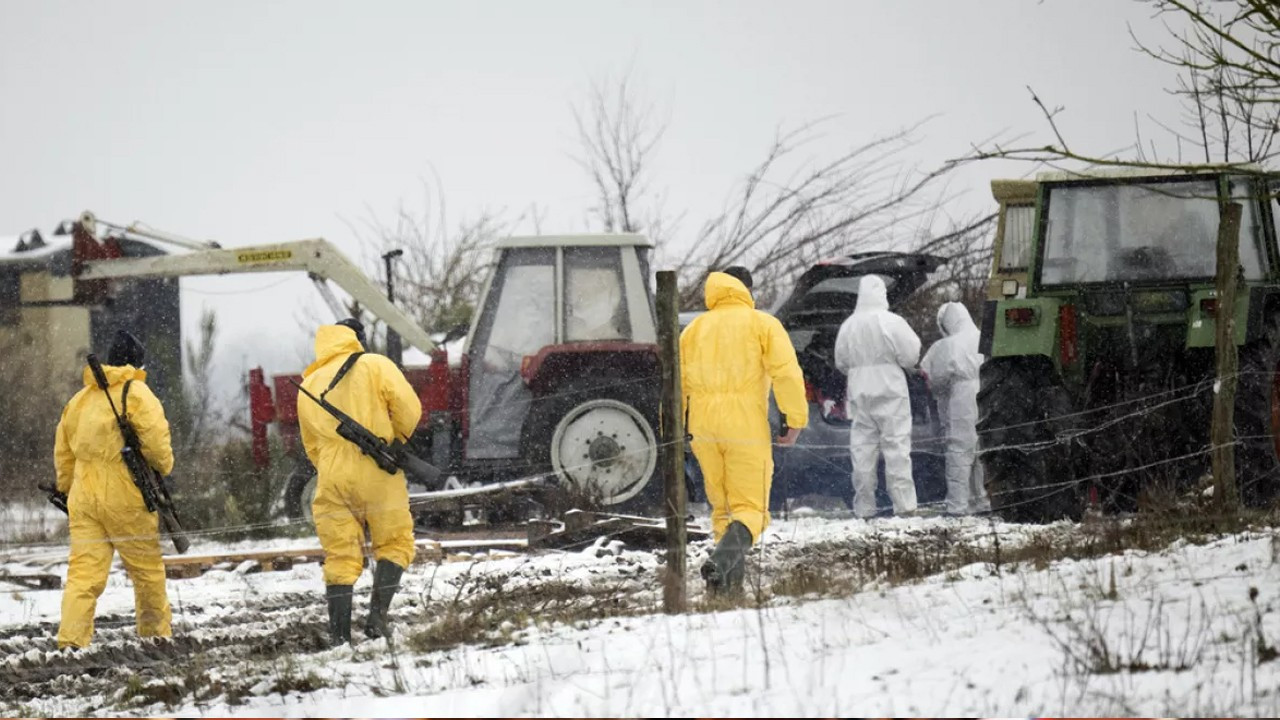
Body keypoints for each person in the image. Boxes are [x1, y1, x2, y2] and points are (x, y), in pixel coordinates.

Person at [680, 267, 808, 596]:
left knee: (722, 509)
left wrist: (676, 427)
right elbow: (786, 373)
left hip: (702, 426)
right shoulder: (762, 324)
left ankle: (726, 592)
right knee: (752, 510)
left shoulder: (693, 330)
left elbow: (676, 385)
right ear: (746, 290)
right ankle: (720, 562)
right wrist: (794, 419)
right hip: (744, 423)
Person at [297, 318, 422, 645]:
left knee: (340, 555)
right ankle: (377, 620)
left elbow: (310, 444)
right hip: (377, 469)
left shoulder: (308, 383)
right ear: (357, 339)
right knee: (394, 542)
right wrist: (396, 440)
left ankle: (339, 637)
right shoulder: (374, 364)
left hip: (331, 478)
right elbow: (409, 409)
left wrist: (332, 466)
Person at [55, 330, 175, 649]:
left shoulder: (78, 400)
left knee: (83, 575)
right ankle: (155, 638)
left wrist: (67, 490)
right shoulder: (137, 393)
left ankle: (71, 641)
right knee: (146, 571)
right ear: (136, 362)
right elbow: (158, 448)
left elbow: (63, 454)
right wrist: (164, 468)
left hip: (83, 497)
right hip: (126, 494)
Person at [834, 275, 922, 519]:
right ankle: (904, 508)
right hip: (890, 390)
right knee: (897, 448)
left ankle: (864, 508)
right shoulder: (892, 321)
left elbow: (841, 362)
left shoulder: (848, 325)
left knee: (862, 452)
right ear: (882, 293)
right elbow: (911, 355)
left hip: (859, 391)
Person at [920, 302, 990, 516]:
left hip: (962, 396)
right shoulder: (985, 337)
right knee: (981, 450)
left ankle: (957, 505)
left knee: (959, 449)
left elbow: (934, 379)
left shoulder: (947, 346)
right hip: (987, 391)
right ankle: (982, 500)